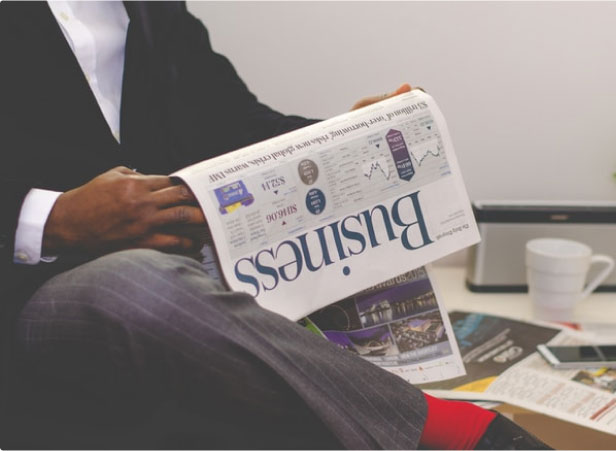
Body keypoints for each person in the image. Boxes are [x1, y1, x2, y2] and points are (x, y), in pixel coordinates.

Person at [0, 2, 551, 449]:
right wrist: (51, 221)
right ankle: (469, 436)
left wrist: (345, 136)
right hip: (34, 290)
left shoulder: (154, 10)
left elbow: (234, 128)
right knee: (136, 285)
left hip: (189, 285)